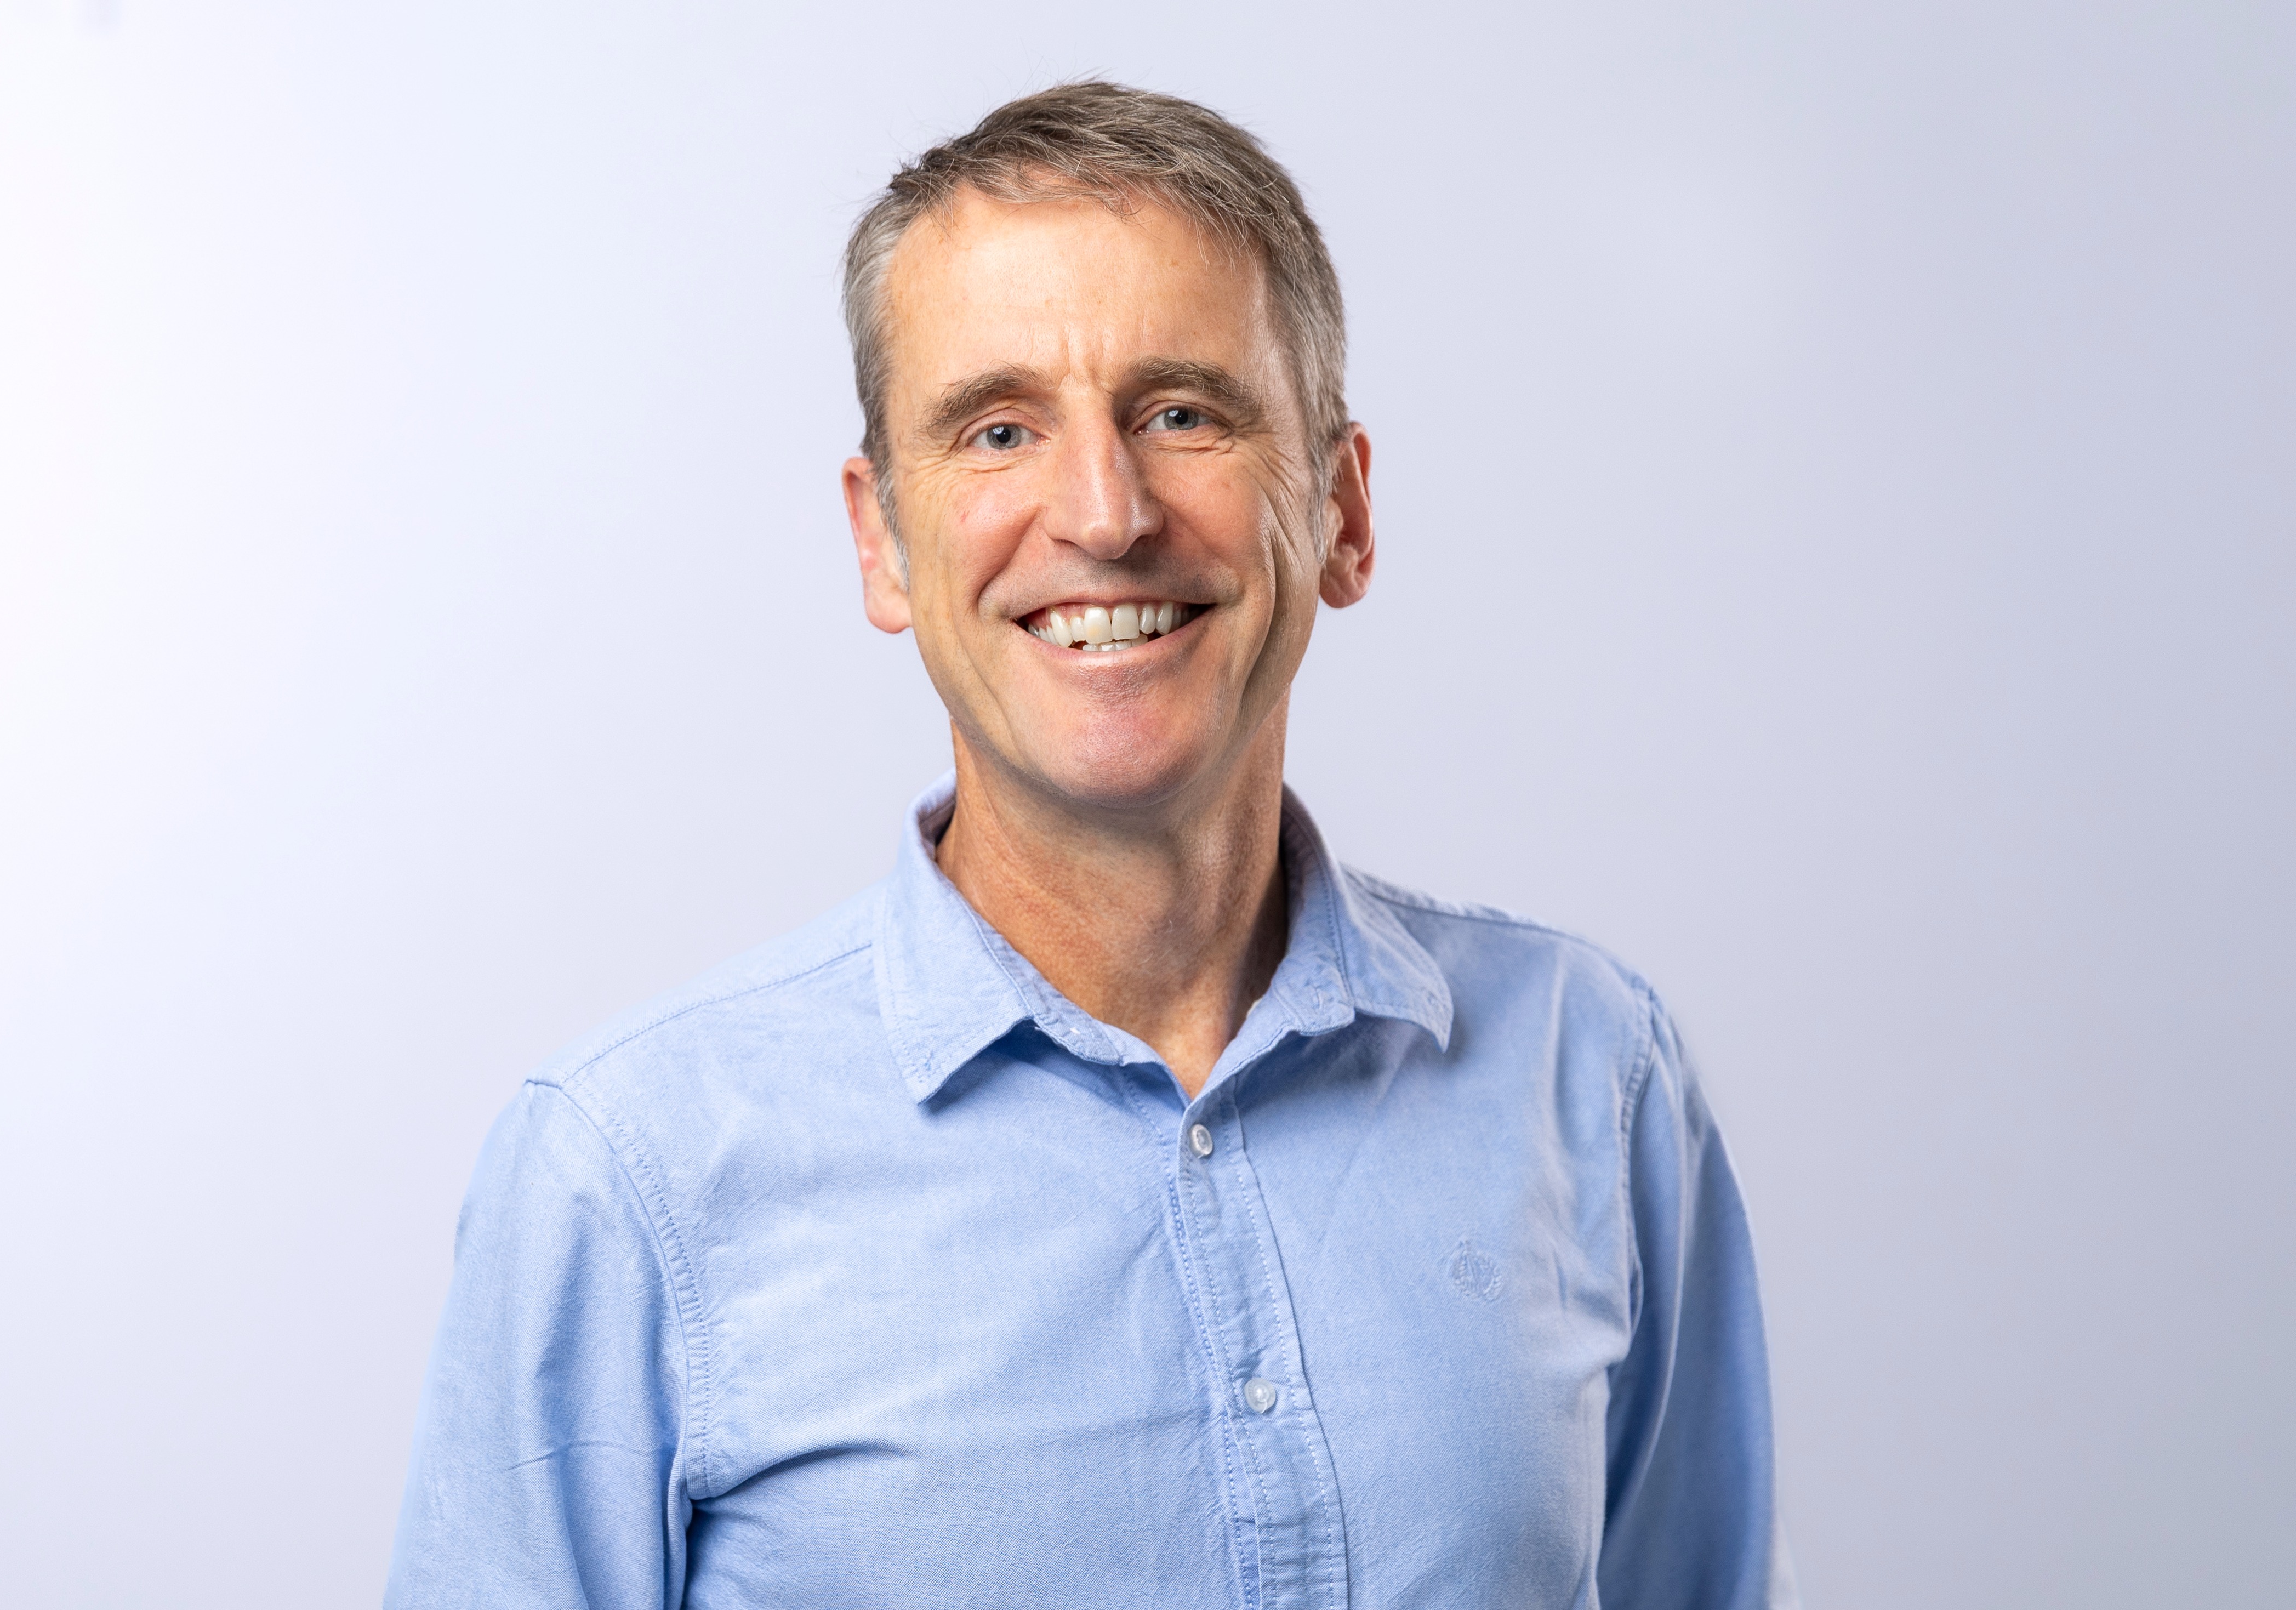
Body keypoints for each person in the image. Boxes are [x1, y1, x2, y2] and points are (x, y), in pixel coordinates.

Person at [386, 81, 1797, 1609]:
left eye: (1183, 412)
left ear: (1341, 509)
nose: (1106, 513)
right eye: (999, 430)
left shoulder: (1589, 1071)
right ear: (882, 540)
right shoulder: (628, 1173)